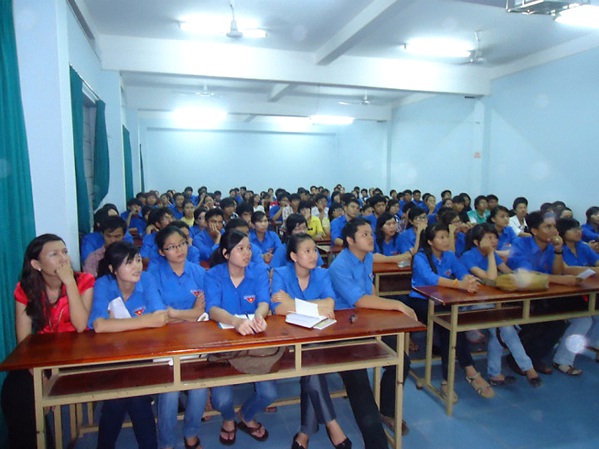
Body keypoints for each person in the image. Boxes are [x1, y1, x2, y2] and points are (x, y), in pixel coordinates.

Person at [328, 218, 416, 445]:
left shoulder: (366, 258)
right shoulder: (339, 266)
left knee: (401, 360)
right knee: (359, 380)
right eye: (364, 234)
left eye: (370, 233)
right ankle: (376, 443)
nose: (371, 238)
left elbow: (371, 290)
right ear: (350, 240)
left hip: (366, 322)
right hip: (343, 330)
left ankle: (386, 409)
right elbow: (359, 299)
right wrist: (397, 305)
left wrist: (384, 316)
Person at [1, 235, 94, 449]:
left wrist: (69, 283)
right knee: (15, 390)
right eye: (54, 254)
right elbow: (24, 341)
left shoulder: (84, 281)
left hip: (78, 353)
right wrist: (39, 375)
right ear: (36, 264)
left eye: (65, 252)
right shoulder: (25, 289)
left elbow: (81, 325)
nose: (63, 258)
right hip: (43, 356)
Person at [271, 234, 351, 449]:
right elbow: (279, 309)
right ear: (293, 256)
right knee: (312, 362)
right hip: (287, 340)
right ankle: (332, 424)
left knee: (311, 362)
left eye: (314, 250)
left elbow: (329, 305)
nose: (313, 255)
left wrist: (293, 302)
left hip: (318, 338)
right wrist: (315, 306)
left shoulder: (322, 274)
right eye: (307, 251)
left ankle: (305, 433)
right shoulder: (280, 273)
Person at [89, 241, 167, 449]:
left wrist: (116, 324)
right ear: (113, 269)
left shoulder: (147, 279)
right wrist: (144, 321)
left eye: (138, 260)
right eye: (129, 263)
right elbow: (99, 326)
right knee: (132, 397)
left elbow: (161, 318)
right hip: (111, 355)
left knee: (122, 397)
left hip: (143, 353)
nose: (137, 267)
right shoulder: (104, 284)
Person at [406, 223, 495, 401]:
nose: (446, 240)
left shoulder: (449, 255)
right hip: (421, 302)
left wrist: (469, 280)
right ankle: (465, 372)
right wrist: (458, 284)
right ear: (430, 241)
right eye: (441, 237)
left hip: (444, 301)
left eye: (447, 236)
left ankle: (453, 377)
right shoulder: (420, 257)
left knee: (450, 325)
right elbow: (431, 279)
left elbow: (461, 272)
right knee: (449, 326)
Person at [205, 230, 276, 445]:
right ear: (226, 254)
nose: (247, 253)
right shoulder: (213, 274)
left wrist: (259, 315)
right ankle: (228, 418)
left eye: (249, 248)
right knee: (221, 400)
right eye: (241, 249)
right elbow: (212, 309)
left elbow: (264, 302)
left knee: (269, 394)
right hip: (224, 342)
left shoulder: (258, 271)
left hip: (253, 341)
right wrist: (235, 322)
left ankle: (245, 415)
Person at [460, 224, 541, 388]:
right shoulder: (468, 256)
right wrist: (491, 253)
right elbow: (490, 279)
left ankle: (496, 374)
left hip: (492, 303)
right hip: (471, 305)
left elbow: (508, 273)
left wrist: (522, 275)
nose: (494, 241)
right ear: (476, 242)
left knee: (502, 329)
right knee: (504, 327)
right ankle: (528, 368)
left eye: (495, 237)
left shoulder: (493, 256)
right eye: (489, 238)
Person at [148, 226, 208, 449]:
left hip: (195, 338)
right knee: (170, 391)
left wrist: (175, 313)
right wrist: (190, 313)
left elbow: (205, 311)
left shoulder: (199, 272)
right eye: (172, 247)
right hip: (163, 339)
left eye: (182, 243)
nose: (179, 249)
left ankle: (191, 433)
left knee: (200, 387)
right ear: (161, 252)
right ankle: (166, 441)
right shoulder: (153, 275)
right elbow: (158, 315)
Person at [507, 210, 583, 374]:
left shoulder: (550, 247)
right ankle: (520, 360)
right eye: (548, 227)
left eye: (554, 226)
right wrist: (561, 280)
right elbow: (528, 275)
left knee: (575, 313)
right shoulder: (520, 244)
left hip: (547, 293)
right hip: (522, 295)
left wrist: (558, 250)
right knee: (547, 321)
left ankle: (534, 357)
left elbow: (557, 272)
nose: (554, 231)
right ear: (535, 230)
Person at [552, 217, 599, 375]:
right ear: (563, 233)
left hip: (583, 292)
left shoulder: (583, 247)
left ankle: (593, 345)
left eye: (579, 228)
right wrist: (591, 270)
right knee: (584, 319)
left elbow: (597, 263)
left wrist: (591, 270)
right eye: (574, 229)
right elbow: (566, 270)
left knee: (596, 314)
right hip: (561, 294)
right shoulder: (558, 248)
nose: (579, 232)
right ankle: (562, 360)